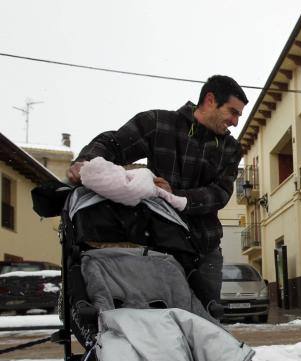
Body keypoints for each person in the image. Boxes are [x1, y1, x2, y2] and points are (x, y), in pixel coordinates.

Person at [67, 74, 247, 310]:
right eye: (232, 112)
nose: (235, 122)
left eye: (238, 116)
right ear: (210, 100)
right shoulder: (159, 123)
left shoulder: (231, 149)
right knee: (157, 319)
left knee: (207, 322)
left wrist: (178, 195)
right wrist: (87, 162)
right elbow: (114, 143)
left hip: (204, 248)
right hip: (160, 247)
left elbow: (220, 193)